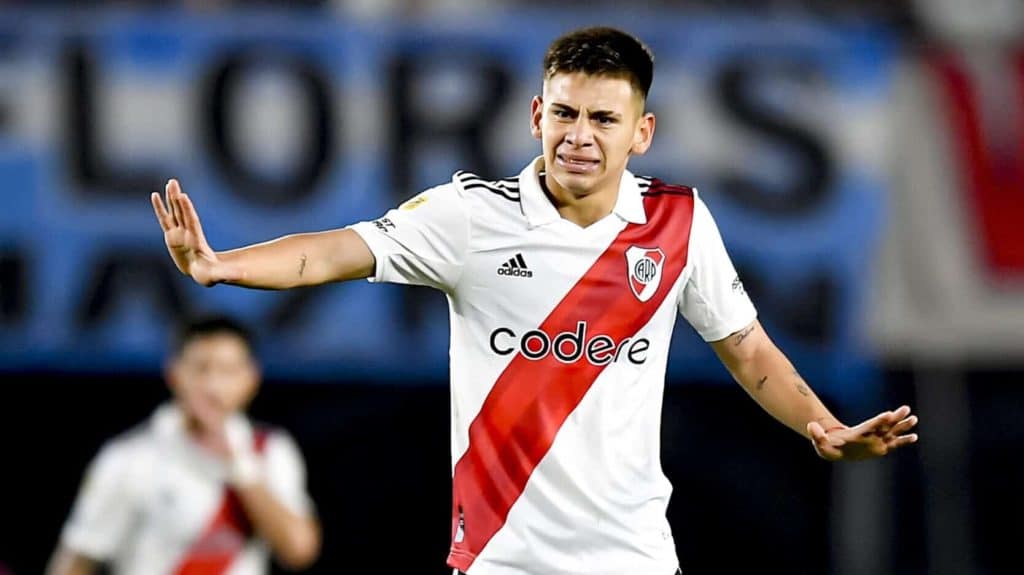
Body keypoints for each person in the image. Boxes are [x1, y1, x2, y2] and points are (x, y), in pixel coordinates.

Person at [150, 26, 918, 575]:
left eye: (603, 119)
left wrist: (821, 424)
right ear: (536, 115)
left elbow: (747, 348)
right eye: (565, 113)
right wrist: (221, 265)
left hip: (633, 557)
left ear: (641, 132)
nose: (579, 136)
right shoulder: (470, 216)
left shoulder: (677, 223)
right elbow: (334, 251)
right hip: (500, 557)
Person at [46, 315, 321, 575]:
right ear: (175, 374)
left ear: (251, 378)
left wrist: (243, 469)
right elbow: (79, 559)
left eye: (228, 371)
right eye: (201, 369)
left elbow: (298, 550)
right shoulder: (128, 457)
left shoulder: (271, 451)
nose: (213, 386)